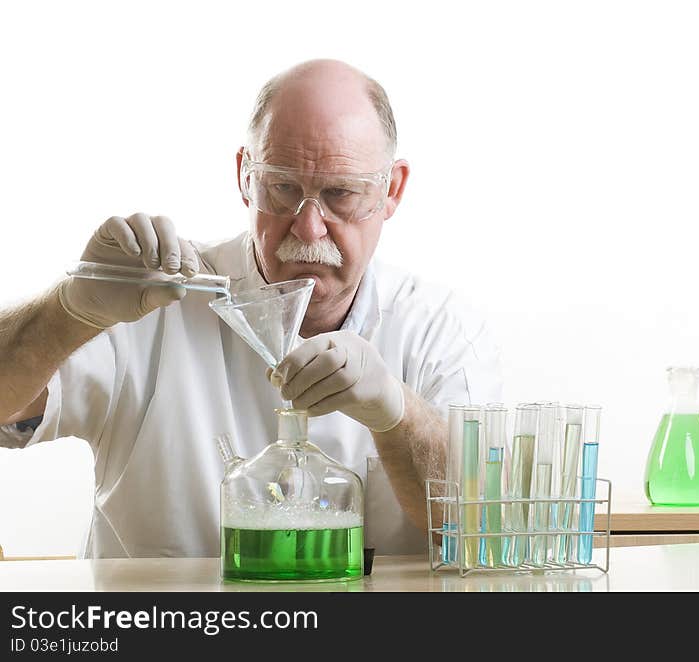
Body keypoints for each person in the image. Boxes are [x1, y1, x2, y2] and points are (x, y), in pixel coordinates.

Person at [0, 59, 503, 557]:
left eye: (341, 194)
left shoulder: (441, 331)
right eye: (283, 188)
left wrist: (397, 414)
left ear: (390, 190)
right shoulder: (153, 299)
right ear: (245, 176)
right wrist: (71, 310)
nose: (309, 229)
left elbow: (482, 529)